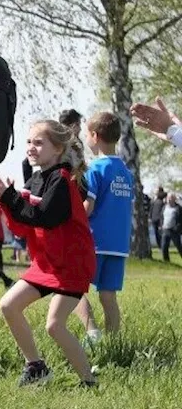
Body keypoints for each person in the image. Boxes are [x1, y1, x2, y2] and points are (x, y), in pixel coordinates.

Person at [0, 120, 97, 387]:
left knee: (54, 326)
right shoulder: (37, 179)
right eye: (28, 142)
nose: (31, 148)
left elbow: (44, 217)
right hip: (47, 263)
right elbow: (25, 225)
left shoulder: (61, 180)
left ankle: (89, 382)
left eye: (39, 143)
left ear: (58, 149)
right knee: (8, 305)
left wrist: (10, 198)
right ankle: (36, 366)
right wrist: (3, 201)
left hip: (71, 263)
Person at [76, 111, 134, 340]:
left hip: (95, 241)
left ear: (94, 135)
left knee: (74, 289)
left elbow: (87, 207)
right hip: (119, 245)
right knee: (108, 297)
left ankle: (92, 333)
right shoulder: (126, 173)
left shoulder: (95, 170)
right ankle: (114, 343)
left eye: (86, 136)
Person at [162, 193, 181, 263]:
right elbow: (162, 217)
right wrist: (161, 225)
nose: (169, 200)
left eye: (171, 198)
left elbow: (180, 220)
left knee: (179, 247)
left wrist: (177, 227)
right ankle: (166, 262)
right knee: (164, 247)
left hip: (174, 231)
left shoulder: (178, 208)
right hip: (165, 229)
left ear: (174, 199)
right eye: (168, 198)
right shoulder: (164, 207)